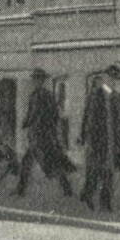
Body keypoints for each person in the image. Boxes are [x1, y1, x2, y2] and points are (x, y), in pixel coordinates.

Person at [13, 67, 76, 198]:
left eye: (38, 79)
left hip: (40, 134)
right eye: (35, 79)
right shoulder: (39, 95)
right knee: (34, 161)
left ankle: (66, 188)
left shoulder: (42, 95)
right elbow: (38, 113)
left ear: (42, 81)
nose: (36, 82)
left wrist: (28, 122)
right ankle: (21, 189)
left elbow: (42, 114)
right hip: (39, 134)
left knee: (43, 162)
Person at [78, 66, 120, 213]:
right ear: (106, 78)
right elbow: (87, 118)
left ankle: (102, 202)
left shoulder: (117, 98)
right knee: (97, 171)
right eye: (111, 79)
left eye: (115, 80)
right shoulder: (95, 95)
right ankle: (90, 196)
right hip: (97, 141)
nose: (113, 82)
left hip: (112, 142)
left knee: (107, 172)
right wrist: (84, 137)